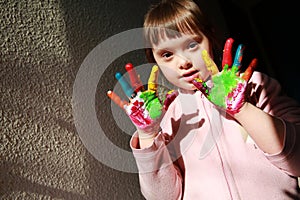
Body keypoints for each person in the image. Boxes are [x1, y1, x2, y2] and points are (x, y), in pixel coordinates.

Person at [107, 0, 300, 199]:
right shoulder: (167, 118)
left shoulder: (255, 85)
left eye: (192, 44)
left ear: (211, 37)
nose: (183, 62)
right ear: (154, 60)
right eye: (167, 54)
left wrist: (242, 108)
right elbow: (163, 197)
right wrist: (147, 134)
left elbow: (297, 161)